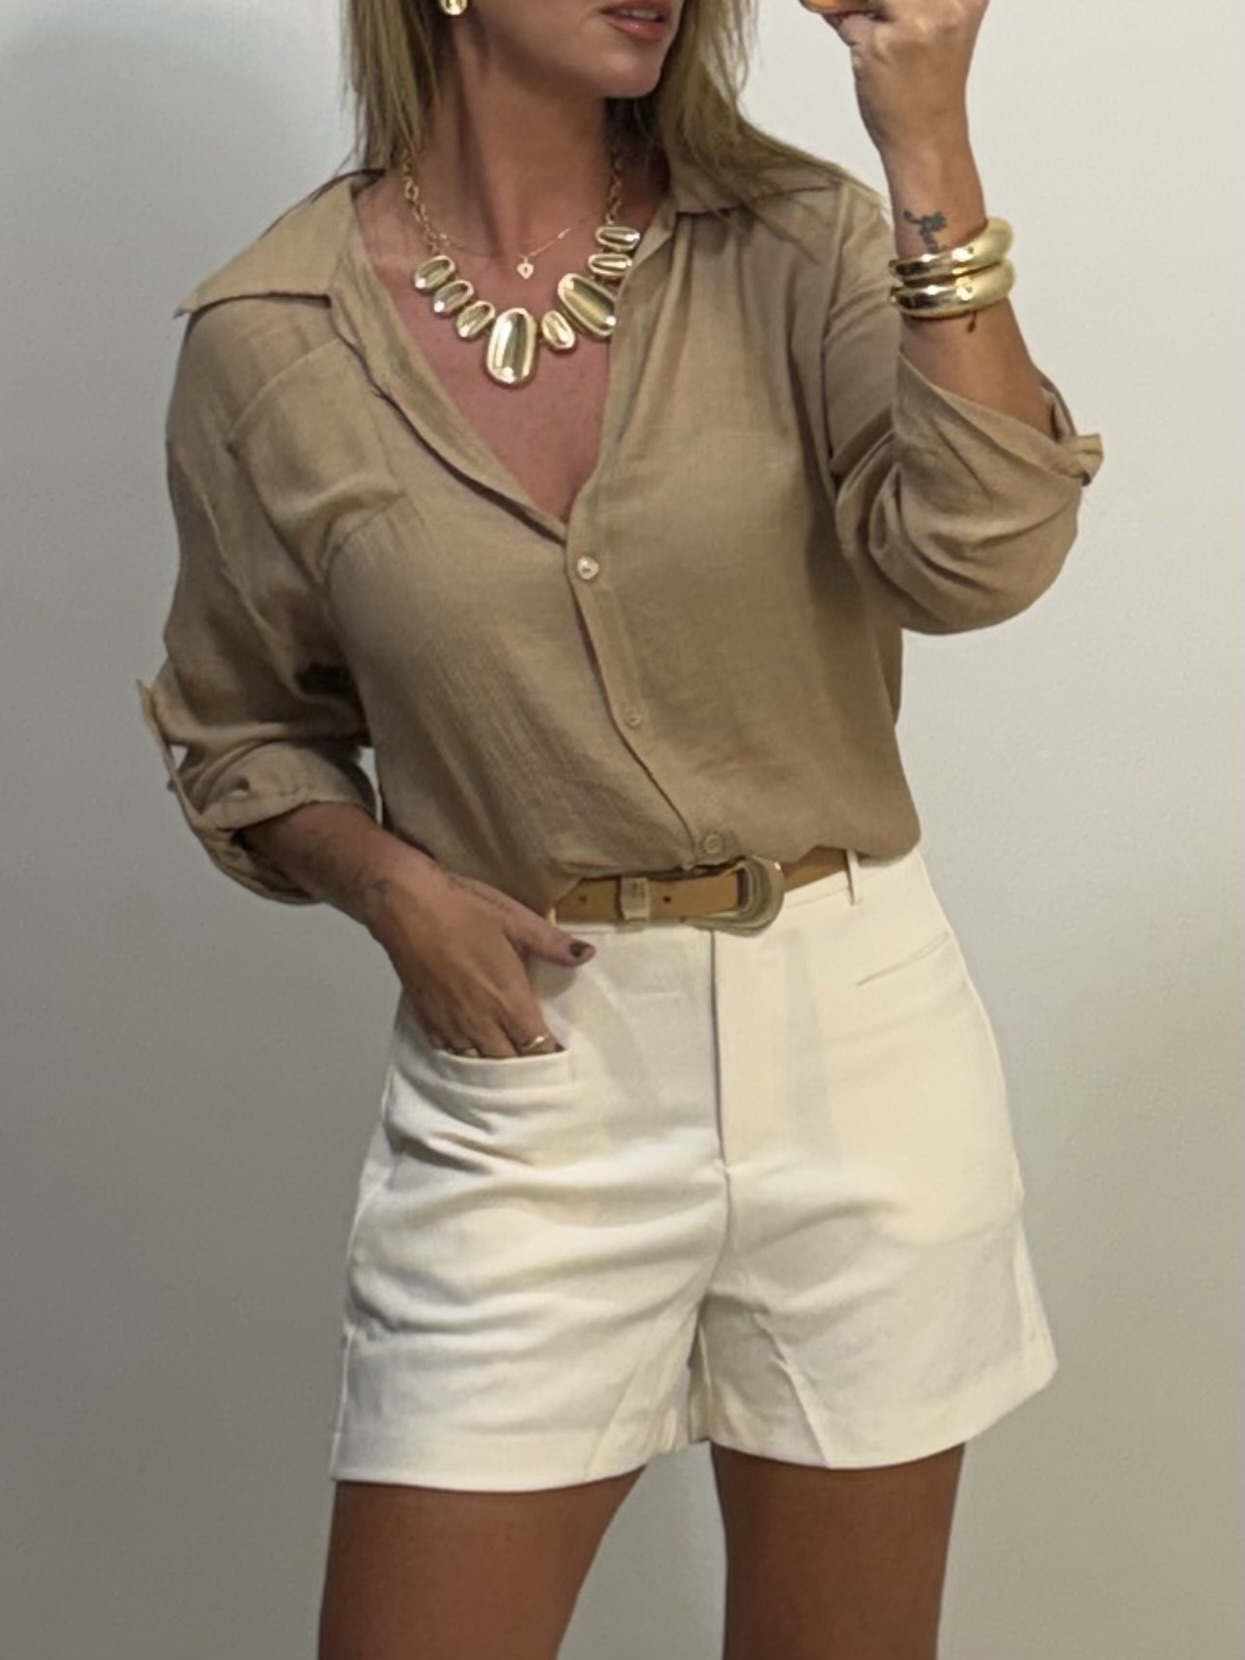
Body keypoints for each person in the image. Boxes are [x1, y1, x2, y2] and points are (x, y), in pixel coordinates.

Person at [136, 0, 1104, 1654]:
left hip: (859, 1056)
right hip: (534, 1076)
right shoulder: (270, 336)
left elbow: (983, 557)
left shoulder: (797, 243)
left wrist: (925, 135)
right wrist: (390, 888)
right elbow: (239, 728)